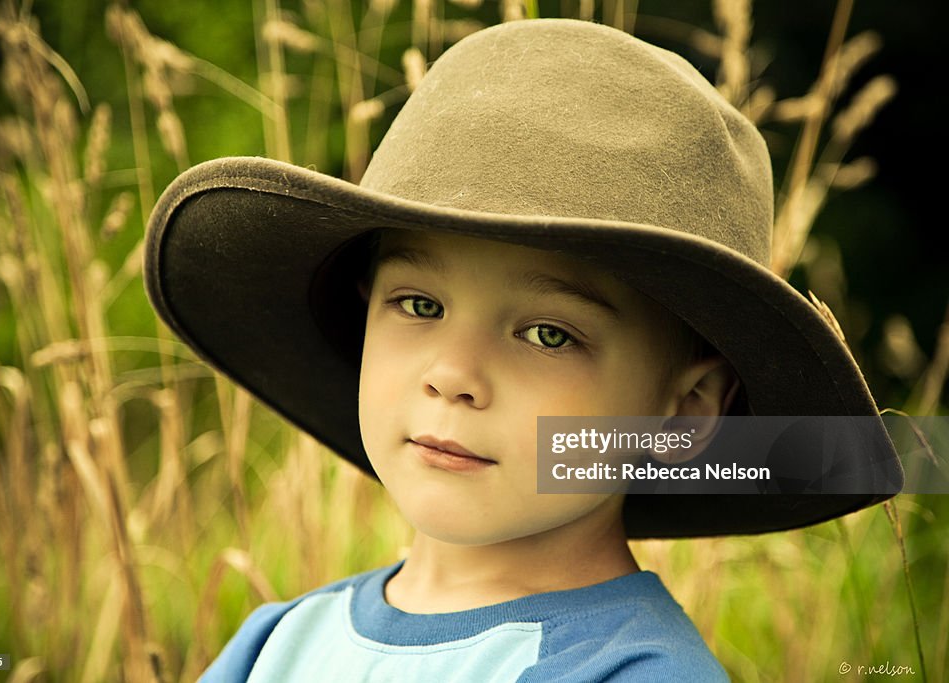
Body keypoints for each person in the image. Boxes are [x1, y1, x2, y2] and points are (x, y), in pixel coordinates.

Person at [144, 18, 902, 681]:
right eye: (419, 303)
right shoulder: (275, 644)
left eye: (548, 333)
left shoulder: (632, 672)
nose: (453, 375)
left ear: (686, 412)